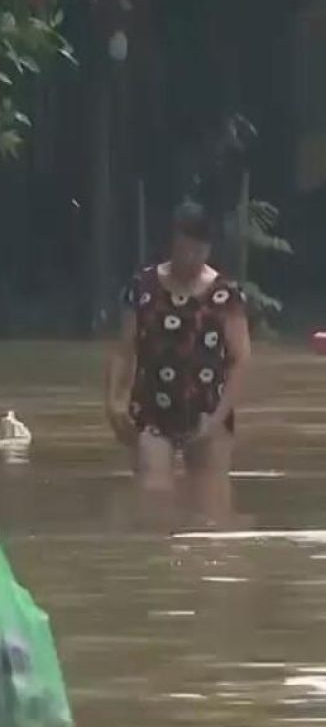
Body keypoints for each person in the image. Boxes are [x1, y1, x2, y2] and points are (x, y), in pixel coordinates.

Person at [105, 200, 251, 517]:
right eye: (183, 250)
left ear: (209, 248)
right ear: (171, 245)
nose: (190, 259)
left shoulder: (225, 293)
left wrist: (217, 418)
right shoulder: (142, 287)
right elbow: (124, 348)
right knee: (154, 503)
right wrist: (113, 401)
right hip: (152, 412)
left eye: (198, 251)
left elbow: (240, 359)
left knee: (212, 514)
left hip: (209, 411)